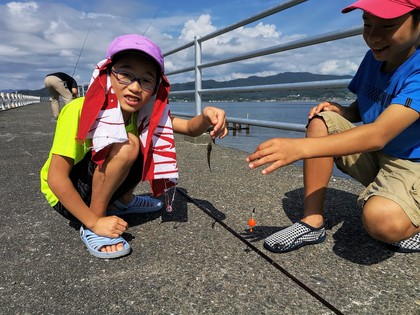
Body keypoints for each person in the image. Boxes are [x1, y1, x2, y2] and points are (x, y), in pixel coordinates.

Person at [247, 0, 420, 254]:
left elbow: (378, 134)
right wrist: (343, 111)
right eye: (367, 24)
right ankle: (311, 222)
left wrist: (299, 148)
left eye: (388, 26)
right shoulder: (373, 59)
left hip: (411, 163)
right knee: (322, 120)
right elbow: (365, 107)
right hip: (379, 156)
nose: (373, 37)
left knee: (382, 222)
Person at [40, 34, 228, 259]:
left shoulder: (142, 115)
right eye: (125, 75)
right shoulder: (78, 110)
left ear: (156, 87)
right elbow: (56, 179)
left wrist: (207, 117)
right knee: (128, 143)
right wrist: (94, 221)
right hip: (66, 196)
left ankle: (122, 200)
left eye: (146, 80)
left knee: (147, 140)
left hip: (95, 185)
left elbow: (189, 128)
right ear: (107, 74)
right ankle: (95, 222)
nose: (135, 87)